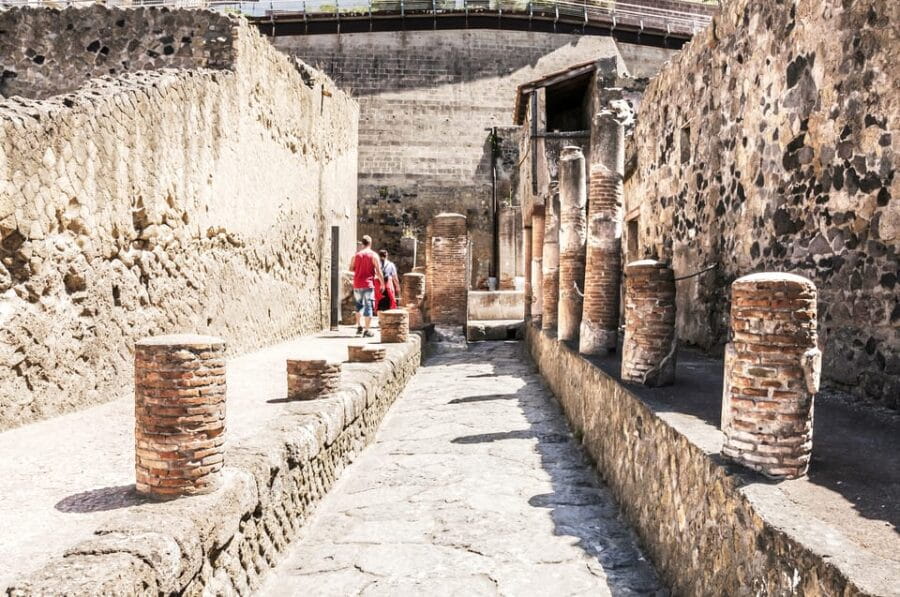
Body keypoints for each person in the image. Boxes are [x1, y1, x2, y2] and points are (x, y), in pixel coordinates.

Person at [349, 235, 384, 337]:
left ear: (362, 244)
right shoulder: (373, 255)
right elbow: (378, 270)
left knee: (358, 305)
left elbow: (351, 269)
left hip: (357, 284)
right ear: (370, 243)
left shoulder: (356, 256)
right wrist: (382, 283)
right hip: (368, 284)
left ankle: (359, 326)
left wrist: (358, 270)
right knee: (368, 307)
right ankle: (367, 330)